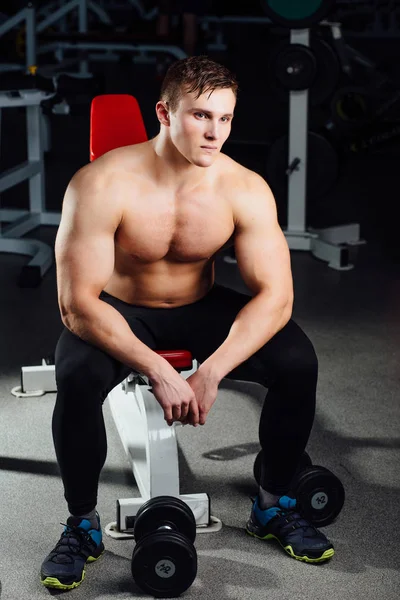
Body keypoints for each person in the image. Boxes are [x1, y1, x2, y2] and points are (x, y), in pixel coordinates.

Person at [40, 55, 334, 591]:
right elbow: (76, 303)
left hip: (201, 307)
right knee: (78, 374)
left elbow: (277, 299)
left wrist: (213, 371)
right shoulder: (102, 183)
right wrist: (158, 369)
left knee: (297, 361)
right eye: (201, 116)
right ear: (164, 112)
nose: (215, 133)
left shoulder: (244, 188)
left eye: (225, 119)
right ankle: (81, 524)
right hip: (121, 308)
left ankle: (271, 505)